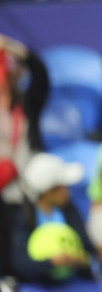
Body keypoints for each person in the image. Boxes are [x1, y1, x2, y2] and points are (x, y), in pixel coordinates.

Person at [0, 35, 49, 274]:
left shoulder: (27, 104)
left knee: (21, 248)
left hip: (24, 189)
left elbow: (40, 75)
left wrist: (13, 48)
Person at [10, 153, 95, 284]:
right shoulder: (24, 217)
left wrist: (78, 259)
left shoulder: (70, 210)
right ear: (48, 191)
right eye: (63, 187)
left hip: (73, 284)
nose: (68, 191)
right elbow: (20, 264)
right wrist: (51, 262)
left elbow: (88, 250)